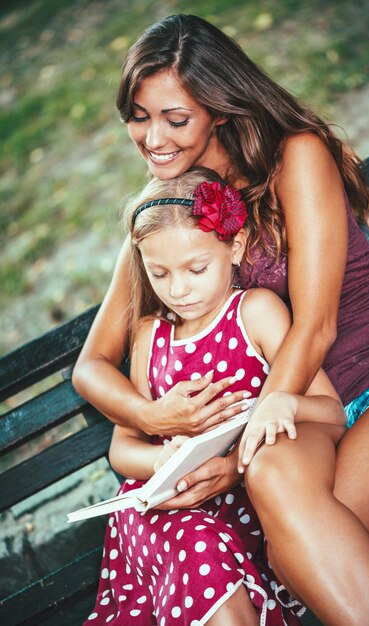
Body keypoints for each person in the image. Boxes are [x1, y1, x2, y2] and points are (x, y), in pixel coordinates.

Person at [72, 13, 369, 625]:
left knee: (297, 549)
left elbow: (315, 326)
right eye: (138, 116)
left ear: (220, 109)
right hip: (296, 424)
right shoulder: (168, 212)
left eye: (176, 119)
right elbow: (92, 365)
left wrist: (237, 461)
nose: (154, 138)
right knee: (291, 529)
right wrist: (152, 415)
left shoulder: (294, 157)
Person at [84, 168, 347, 626]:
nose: (178, 289)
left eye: (196, 269)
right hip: (164, 510)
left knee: (208, 552)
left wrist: (287, 404)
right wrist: (166, 460)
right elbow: (122, 449)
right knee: (193, 547)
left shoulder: (256, 313)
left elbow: (331, 413)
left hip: (245, 507)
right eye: (159, 273)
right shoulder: (150, 336)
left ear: (236, 248)